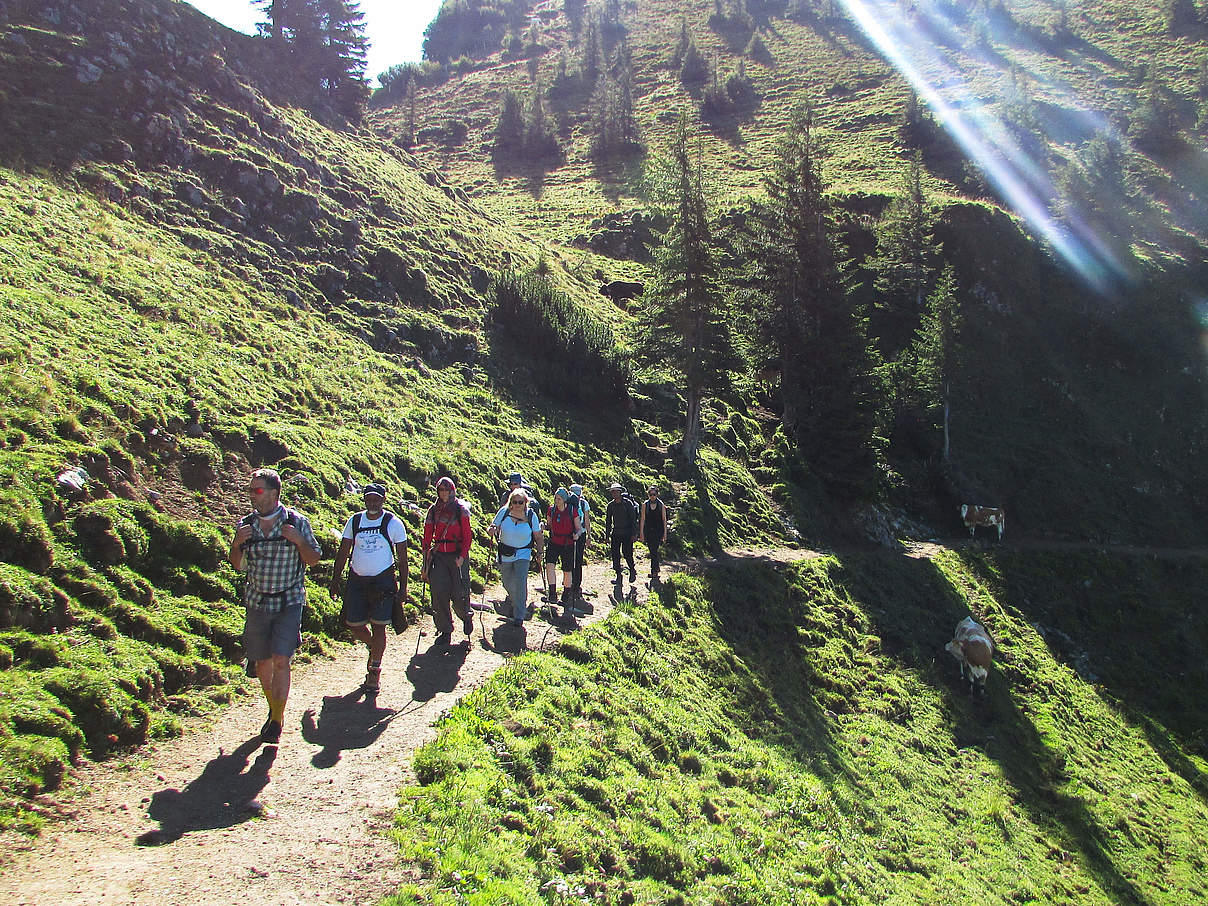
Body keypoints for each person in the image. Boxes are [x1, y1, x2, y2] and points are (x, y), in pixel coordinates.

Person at [229, 469, 322, 745]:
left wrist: (299, 541)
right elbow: (238, 565)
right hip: (257, 602)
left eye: (257, 491)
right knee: (262, 664)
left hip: (289, 601)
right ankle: (274, 709)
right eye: (250, 491)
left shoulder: (296, 522)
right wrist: (236, 544)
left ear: (274, 493)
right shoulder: (245, 525)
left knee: (282, 660)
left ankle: (277, 721)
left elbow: (314, 558)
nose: (252, 496)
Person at [329, 483, 409, 692]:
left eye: (376, 499)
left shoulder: (393, 523)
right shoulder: (354, 521)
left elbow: (402, 559)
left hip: (383, 582)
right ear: (364, 500)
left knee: (379, 624)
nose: (372, 502)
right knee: (353, 623)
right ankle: (374, 647)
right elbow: (344, 550)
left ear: (383, 500)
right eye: (369, 499)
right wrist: (336, 579)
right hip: (357, 580)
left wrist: (403, 587)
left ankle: (374, 670)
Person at [421, 477, 474, 646]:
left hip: (457, 556)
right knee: (438, 592)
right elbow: (428, 535)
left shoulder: (461, 511)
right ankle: (445, 629)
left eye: (446, 489)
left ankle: (465, 616)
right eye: (441, 490)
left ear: (452, 490)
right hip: (439, 556)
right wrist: (426, 558)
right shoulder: (433, 510)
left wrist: (462, 556)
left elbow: (467, 536)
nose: (443, 493)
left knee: (459, 594)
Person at [489, 489, 544, 627]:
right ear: (511, 502)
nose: (517, 504)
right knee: (507, 582)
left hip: (523, 553)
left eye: (520, 502)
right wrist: (492, 529)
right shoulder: (504, 512)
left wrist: (539, 552)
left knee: (520, 581)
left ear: (526, 502)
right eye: (515, 502)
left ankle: (519, 615)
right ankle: (517, 602)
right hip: (505, 553)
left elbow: (538, 536)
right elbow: (493, 525)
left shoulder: (531, 515)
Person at [543, 487, 582, 614]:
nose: (556, 500)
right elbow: (549, 525)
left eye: (558, 498)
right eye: (555, 498)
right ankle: (552, 592)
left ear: (564, 500)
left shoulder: (572, 511)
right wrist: (544, 526)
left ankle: (566, 594)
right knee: (549, 565)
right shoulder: (551, 510)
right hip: (554, 542)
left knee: (567, 570)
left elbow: (579, 528)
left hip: (568, 544)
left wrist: (577, 534)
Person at [604, 482, 638, 588]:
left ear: (620, 492)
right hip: (616, 533)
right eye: (613, 492)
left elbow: (633, 519)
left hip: (627, 533)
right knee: (615, 555)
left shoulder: (627, 503)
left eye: (616, 491)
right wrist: (607, 535)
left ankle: (632, 570)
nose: (614, 493)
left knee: (627, 553)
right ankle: (618, 576)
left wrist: (634, 533)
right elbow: (608, 521)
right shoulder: (610, 505)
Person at [639, 485, 669, 583]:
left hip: (658, 530)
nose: (652, 496)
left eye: (654, 494)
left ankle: (654, 571)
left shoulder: (661, 505)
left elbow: (664, 519)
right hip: (648, 530)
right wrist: (641, 532)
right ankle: (656, 568)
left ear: (657, 494)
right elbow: (642, 519)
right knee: (652, 550)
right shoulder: (645, 505)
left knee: (654, 550)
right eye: (650, 494)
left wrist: (665, 533)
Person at [568, 482, 590, 605]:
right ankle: (574, 584)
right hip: (579, 533)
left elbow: (586, 521)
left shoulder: (578, 503)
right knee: (576, 559)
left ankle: (573, 584)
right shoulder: (583, 503)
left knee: (573, 559)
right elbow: (586, 521)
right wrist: (589, 536)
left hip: (572, 534)